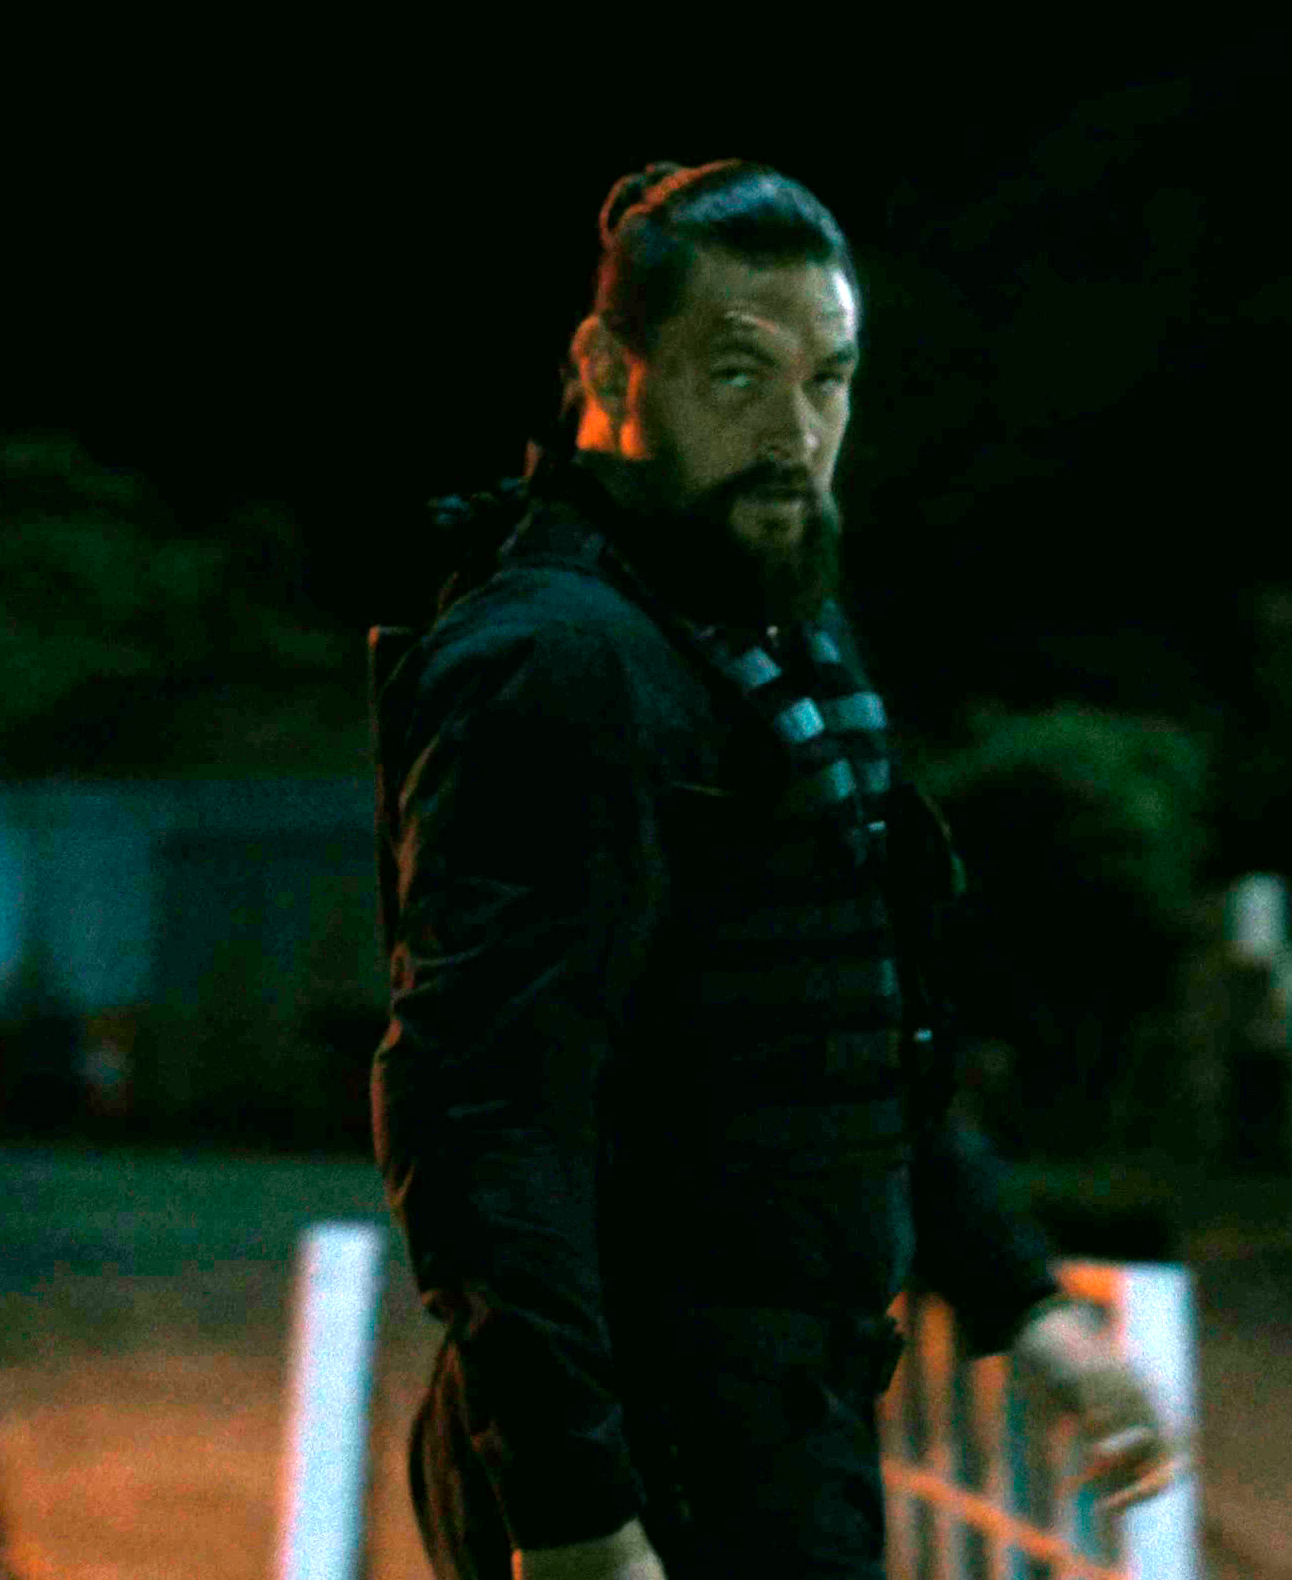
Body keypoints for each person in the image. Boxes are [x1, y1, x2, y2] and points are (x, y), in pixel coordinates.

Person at [368, 160, 1181, 1580]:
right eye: (737, 375)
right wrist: (574, 1513)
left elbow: (845, 1036)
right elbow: (486, 1117)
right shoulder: (562, 661)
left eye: (829, 380)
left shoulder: (761, 627)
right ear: (608, 370)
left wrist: (1026, 1306)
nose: (794, 434)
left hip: (770, 1435)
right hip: (652, 1455)